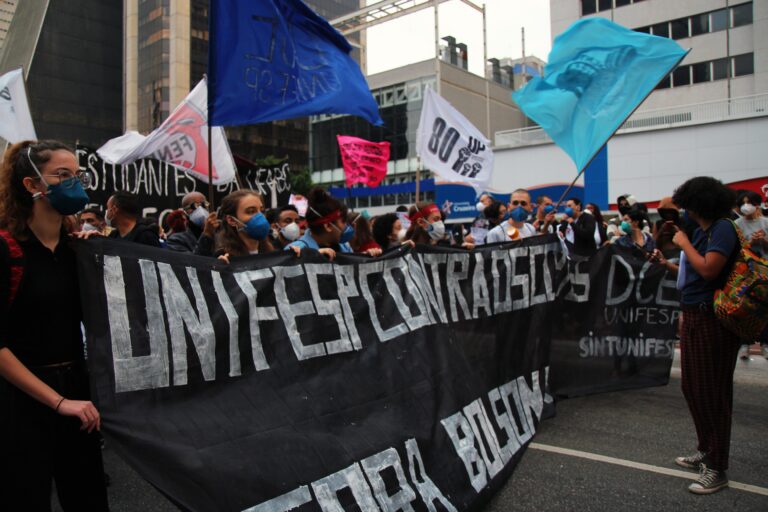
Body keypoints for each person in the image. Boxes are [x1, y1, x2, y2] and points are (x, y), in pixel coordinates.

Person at [0, 140, 109, 509]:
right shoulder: (7, 250)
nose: (74, 183)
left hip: (78, 394)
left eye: (77, 175)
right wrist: (58, 402)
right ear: (32, 185)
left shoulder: (78, 250)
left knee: (88, 497)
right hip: (21, 401)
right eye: (62, 175)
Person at [652, 177, 740, 495]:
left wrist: (683, 243)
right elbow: (693, 272)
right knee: (693, 387)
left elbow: (709, 270)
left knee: (713, 392)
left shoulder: (722, 229)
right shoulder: (703, 231)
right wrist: (668, 263)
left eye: (686, 205)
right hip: (693, 314)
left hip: (712, 320)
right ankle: (706, 449)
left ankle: (717, 468)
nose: (683, 211)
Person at [734, 190, 768, 360]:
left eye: (749, 202)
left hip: (765, 271)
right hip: (746, 271)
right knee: (746, 307)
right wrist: (751, 242)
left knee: (764, 307)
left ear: (757, 205)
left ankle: (765, 343)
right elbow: (737, 249)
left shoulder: (765, 223)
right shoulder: (737, 224)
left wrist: (764, 240)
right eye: (742, 203)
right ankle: (744, 344)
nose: (745, 206)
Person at [286, 187, 352, 260]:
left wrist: (365, 258)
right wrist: (310, 256)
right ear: (328, 226)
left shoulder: (345, 247)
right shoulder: (293, 252)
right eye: (343, 221)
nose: (346, 226)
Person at [210, 190, 275, 261]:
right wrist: (222, 268)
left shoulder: (272, 252)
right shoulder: (224, 257)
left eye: (262, 211)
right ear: (231, 220)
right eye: (251, 211)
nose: (260, 216)